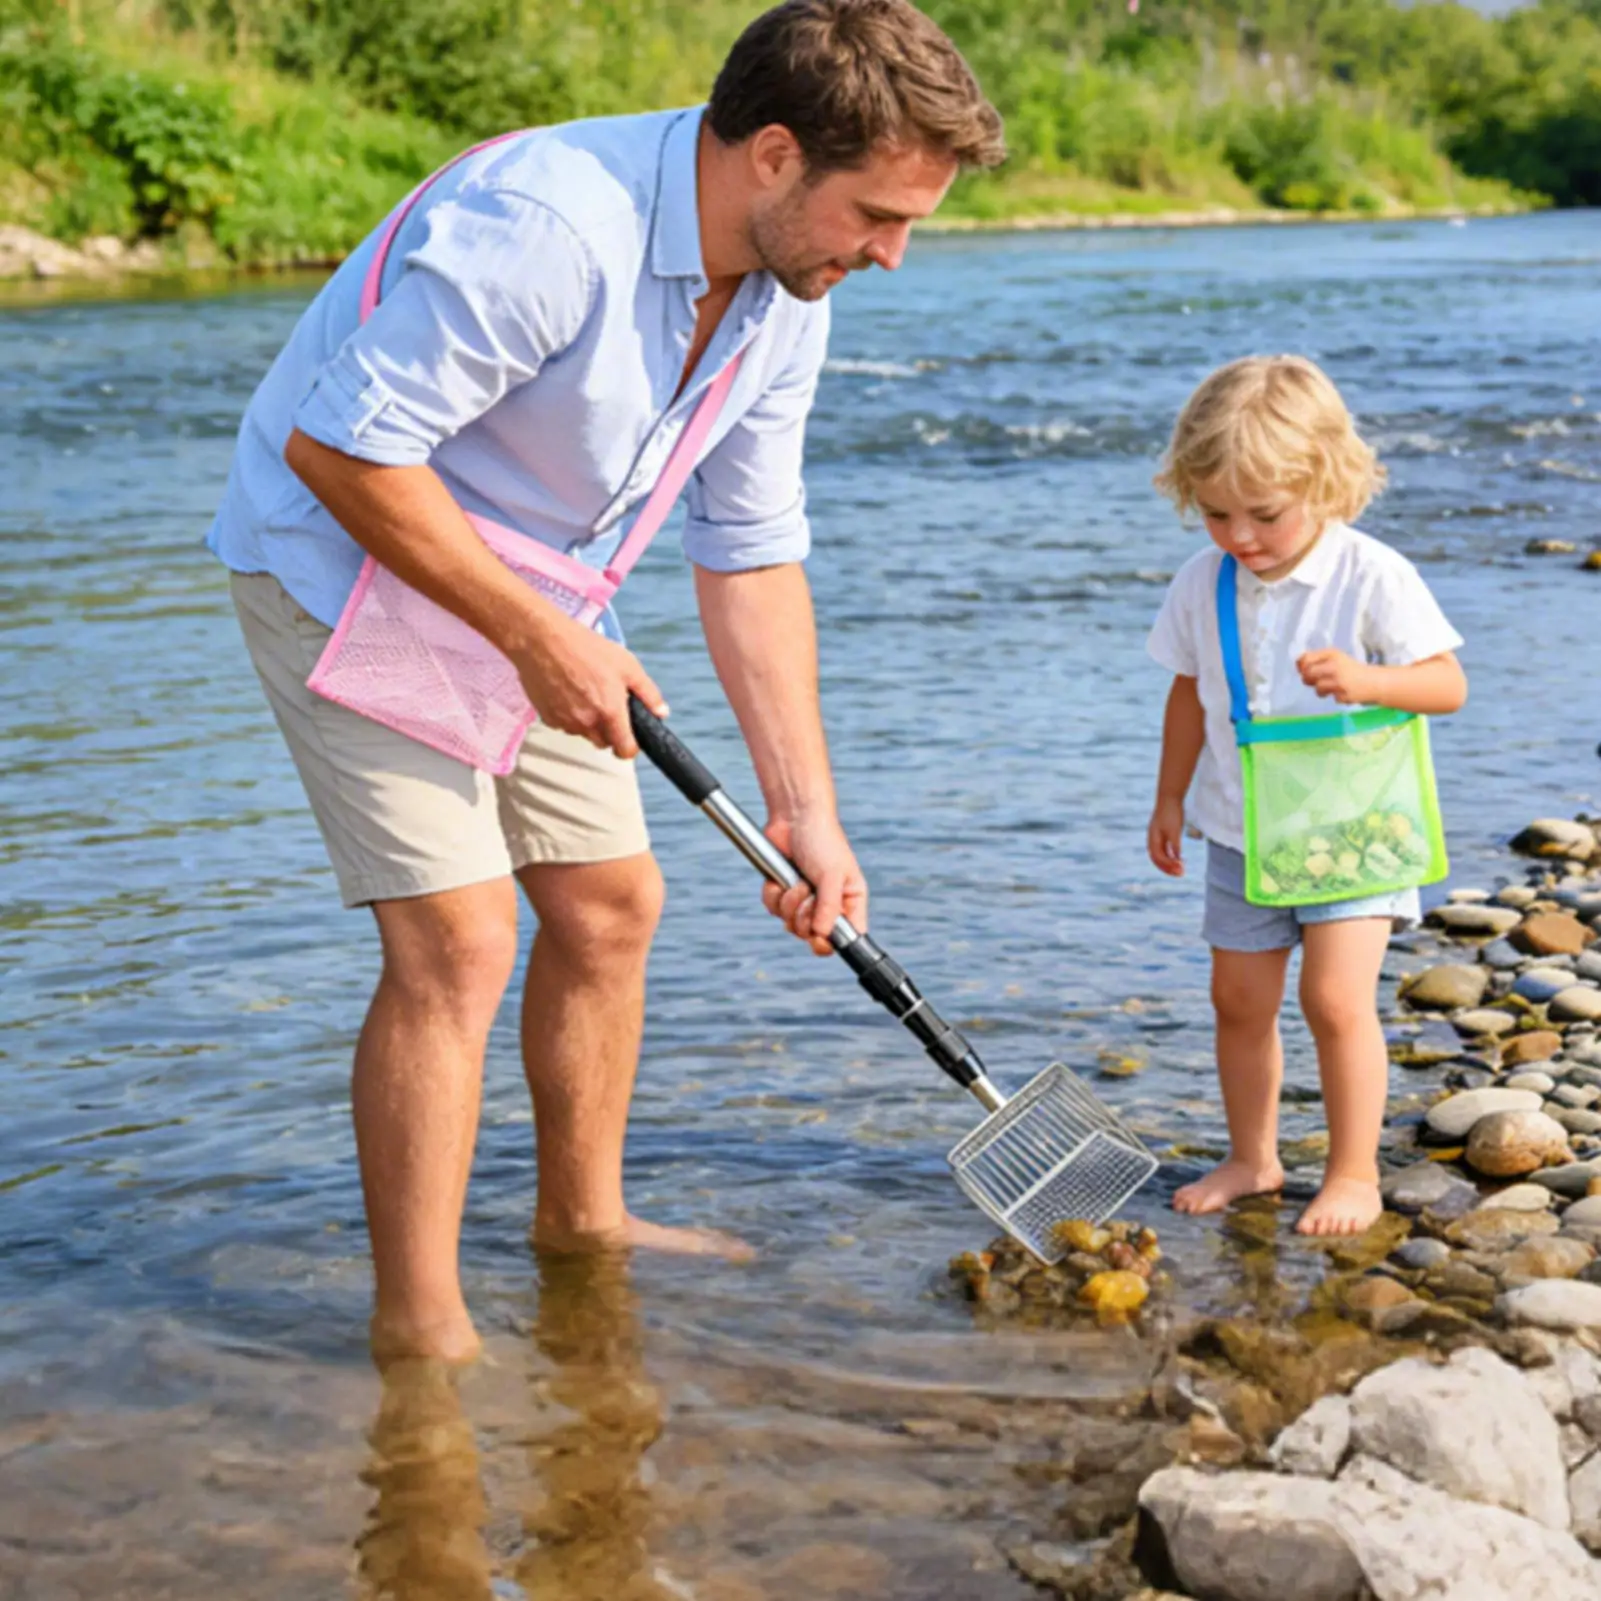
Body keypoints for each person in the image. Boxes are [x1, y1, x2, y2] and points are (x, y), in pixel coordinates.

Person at [205, 0, 1005, 1363]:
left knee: (612, 904)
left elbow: (748, 554)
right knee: (457, 944)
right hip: (338, 555)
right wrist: (530, 633)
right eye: (876, 214)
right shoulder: (546, 229)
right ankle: (423, 1327)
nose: (892, 255)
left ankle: (582, 1226)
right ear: (769, 155)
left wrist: (806, 807)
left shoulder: (783, 297)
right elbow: (340, 454)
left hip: (533, 582)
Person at [1144, 355, 1468, 1237]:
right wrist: (1168, 797)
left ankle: (1353, 1172)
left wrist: (1369, 677)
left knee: (1333, 1001)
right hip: (1238, 829)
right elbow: (1186, 692)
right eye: (1215, 513)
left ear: (1324, 482)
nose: (1239, 535)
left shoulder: (1370, 574)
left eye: (1263, 514)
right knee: (1237, 1001)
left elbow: (1445, 685)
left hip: (1355, 827)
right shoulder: (1200, 582)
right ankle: (1252, 1157)